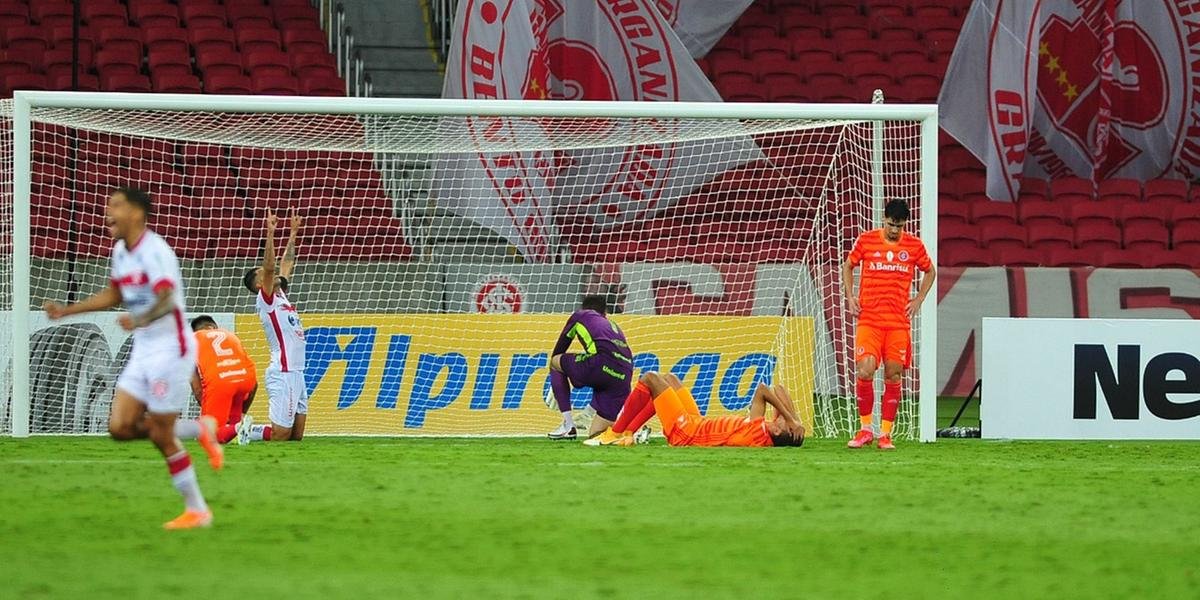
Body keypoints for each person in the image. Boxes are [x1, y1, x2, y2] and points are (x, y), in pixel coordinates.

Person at [44, 187, 223, 529]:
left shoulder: (156, 251)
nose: (107, 211)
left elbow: (169, 299)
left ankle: (198, 510)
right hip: (144, 349)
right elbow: (115, 293)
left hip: (171, 349)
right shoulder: (121, 253)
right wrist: (68, 310)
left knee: (160, 433)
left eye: (116, 205)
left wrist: (139, 319)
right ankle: (199, 428)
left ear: (138, 214)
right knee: (120, 427)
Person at [840, 199, 935, 450]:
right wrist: (850, 297)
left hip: (897, 323)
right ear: (884, 219)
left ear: (905, 224)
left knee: (893, 374)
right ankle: (864, 430)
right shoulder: (866, 240)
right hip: (869, 319)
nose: (894, 230)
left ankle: (885, 435)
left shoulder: (914, 246)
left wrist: (919, 298)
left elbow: (930, 271)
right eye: (892, 224)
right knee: (865, 370)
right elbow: (848, 266)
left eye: (899, 226)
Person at [586, 372, 805, 447]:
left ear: (777, 430)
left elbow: (764, 390)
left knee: (650, 379)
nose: (781, 417)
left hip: (687, 434)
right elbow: (780, 390)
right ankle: (627, 433)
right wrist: (794, 421)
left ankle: (615, 433)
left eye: (783, 423)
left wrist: (791, 419)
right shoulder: (764, 430)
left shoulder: (758, 432)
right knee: (670, 380)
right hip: (697, 424)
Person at [241, 210, 307, 442]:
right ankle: (246, 430)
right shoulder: (266, 299)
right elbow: (270, 268)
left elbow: (286, 265)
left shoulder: (281, 296)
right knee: (280, 435)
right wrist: (270, 233)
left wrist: (293, 234)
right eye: (266, 274)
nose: (275, 273)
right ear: (260, 284)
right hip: (283, 371)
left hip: (297, 372)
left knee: (296, 436)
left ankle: (251, 429)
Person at [546, 295, 633, 441]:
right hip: (624, 377)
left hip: (601, 364)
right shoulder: (614, 326)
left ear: (584, 308)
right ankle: (635, 433)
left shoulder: (580, 315)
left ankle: (568, 426)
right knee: (596, 435)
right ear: (605, 312)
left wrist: (556, 384)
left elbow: (558, 352)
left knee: (555, 362)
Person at [191, 315, 258, 445]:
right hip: (246, 380)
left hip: (221, 384)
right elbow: (254, 382)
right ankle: (242, 426)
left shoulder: (193, 340)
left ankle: (238, 427)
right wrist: (243, 412)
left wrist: (207, 410)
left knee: (209, 436)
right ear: (214, 327)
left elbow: (198, 389)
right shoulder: (231, 335)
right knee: (231, 430)